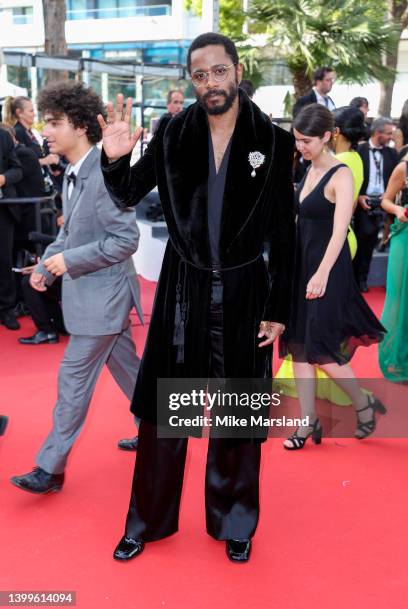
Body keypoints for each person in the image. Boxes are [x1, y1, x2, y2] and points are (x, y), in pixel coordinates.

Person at [99, 32, 295, 563]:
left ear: (236, 69)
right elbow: (127, 192)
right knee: (166, 417)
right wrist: (114, 158)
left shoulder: (274, 142)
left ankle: (235, 521)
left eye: (219, 71)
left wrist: (280, 310)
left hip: (245, 294)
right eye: (200, 74)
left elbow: (285, 232)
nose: (211, 82)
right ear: (193, 79)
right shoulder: (172, 131)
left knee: (237, 418)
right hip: (182, 293)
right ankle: (146, 522)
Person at [11, 81, 144, 495]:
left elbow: (126, 240)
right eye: (46, 121)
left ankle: (50, 468)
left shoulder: (104, 173)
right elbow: (72, 234)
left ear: (82, 127)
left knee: (72, 378)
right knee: (131, 370)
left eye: (54, 122)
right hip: (98, 293)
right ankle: (173, 428)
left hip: (102, 297)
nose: (45, 130)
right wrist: (48, 267)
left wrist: (67, 262)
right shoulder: (75, 170)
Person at [280, 104, 386, 450]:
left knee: (323, 351)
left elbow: (340, 231)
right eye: (297, 140)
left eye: (306, 140)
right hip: (301, 267)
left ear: (328, 136)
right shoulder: (307, 169)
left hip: (327, 269)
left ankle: (363, 403)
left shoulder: (341, 174)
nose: (300, 147)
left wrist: (322, 273)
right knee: (298, 348)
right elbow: (301, 222)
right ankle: (307, 421)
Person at [353, 117, 397, 292]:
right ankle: (354, 280)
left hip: (384, 202)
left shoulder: (392, 154)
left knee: (371, 243)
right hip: (362, 202)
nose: (391, 137)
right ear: (377, 132)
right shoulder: (359, 150)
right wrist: (359, 196)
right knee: (361, 242)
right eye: (388, 133)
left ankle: (363, 279)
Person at [379, 157, 408, 382]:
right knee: (401, 298)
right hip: (405, 235)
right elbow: (386, 200)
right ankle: (399, 358)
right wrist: (398, 209)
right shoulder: (403, 167)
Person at [0, 127, 23, 330]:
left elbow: (17, 170)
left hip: (3, 209)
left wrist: (3, 179)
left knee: (4, 260)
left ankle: (7, 309)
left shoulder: (3, 136)